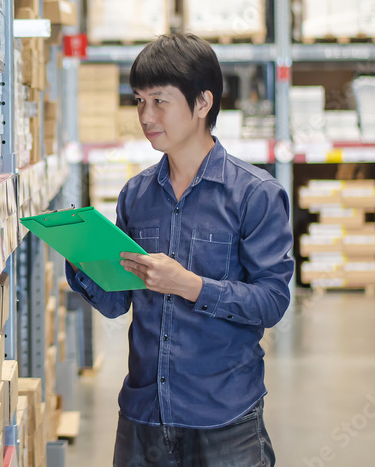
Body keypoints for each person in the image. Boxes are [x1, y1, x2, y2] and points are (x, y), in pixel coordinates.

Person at [66, 33, 293, 466]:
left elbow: (272, 302)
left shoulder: (255, 194)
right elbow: (117, 304)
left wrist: (190, 286)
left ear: (203, 102)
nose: (146, 116)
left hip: (223, 417)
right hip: (144, 416)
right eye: (138, 101)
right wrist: (81, 256)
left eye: (159, 101)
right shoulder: (136, 195)